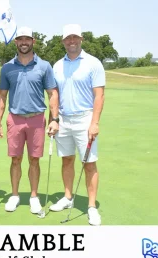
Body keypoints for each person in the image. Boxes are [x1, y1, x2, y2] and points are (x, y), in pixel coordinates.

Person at [0, 27, 59, 214]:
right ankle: (14, 195)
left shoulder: (44, 66)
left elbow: (52, 93)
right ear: (16, 42)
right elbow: (2, 96)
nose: (24, 42)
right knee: (15, 159)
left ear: (33, 41)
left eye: (27, 39)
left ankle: (33, 196)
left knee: (34, 160)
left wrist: (54, 119)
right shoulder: (7, 67)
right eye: (20, 39)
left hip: (37, 119)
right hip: (15, 119)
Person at [49, 24, 105, 226]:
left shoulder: (93, 63)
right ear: (63, 41)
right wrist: (52, 120)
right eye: (67, 38)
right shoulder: (56, 66)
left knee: (89, 164)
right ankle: (67, 197)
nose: (71, 41)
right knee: (66, 160)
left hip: (85, 119)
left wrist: (95, 123)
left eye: (75, 37)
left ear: (81, 39)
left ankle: (91, 207)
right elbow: (54, 95)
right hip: (63, 119)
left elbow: (99, 96)